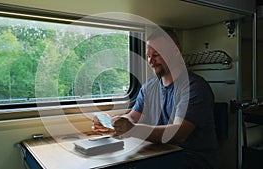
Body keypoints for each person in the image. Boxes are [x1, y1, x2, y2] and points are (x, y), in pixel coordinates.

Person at [93, 29, 219, 169]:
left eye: (156, 55)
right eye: (148, 56)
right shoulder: (149, 87)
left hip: (190, 159)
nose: (151, 61)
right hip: (160, 152)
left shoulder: (195, 87)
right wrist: (113, 122)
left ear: (176, 51)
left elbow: (179, 133)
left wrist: (133, 130)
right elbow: (133, 117)